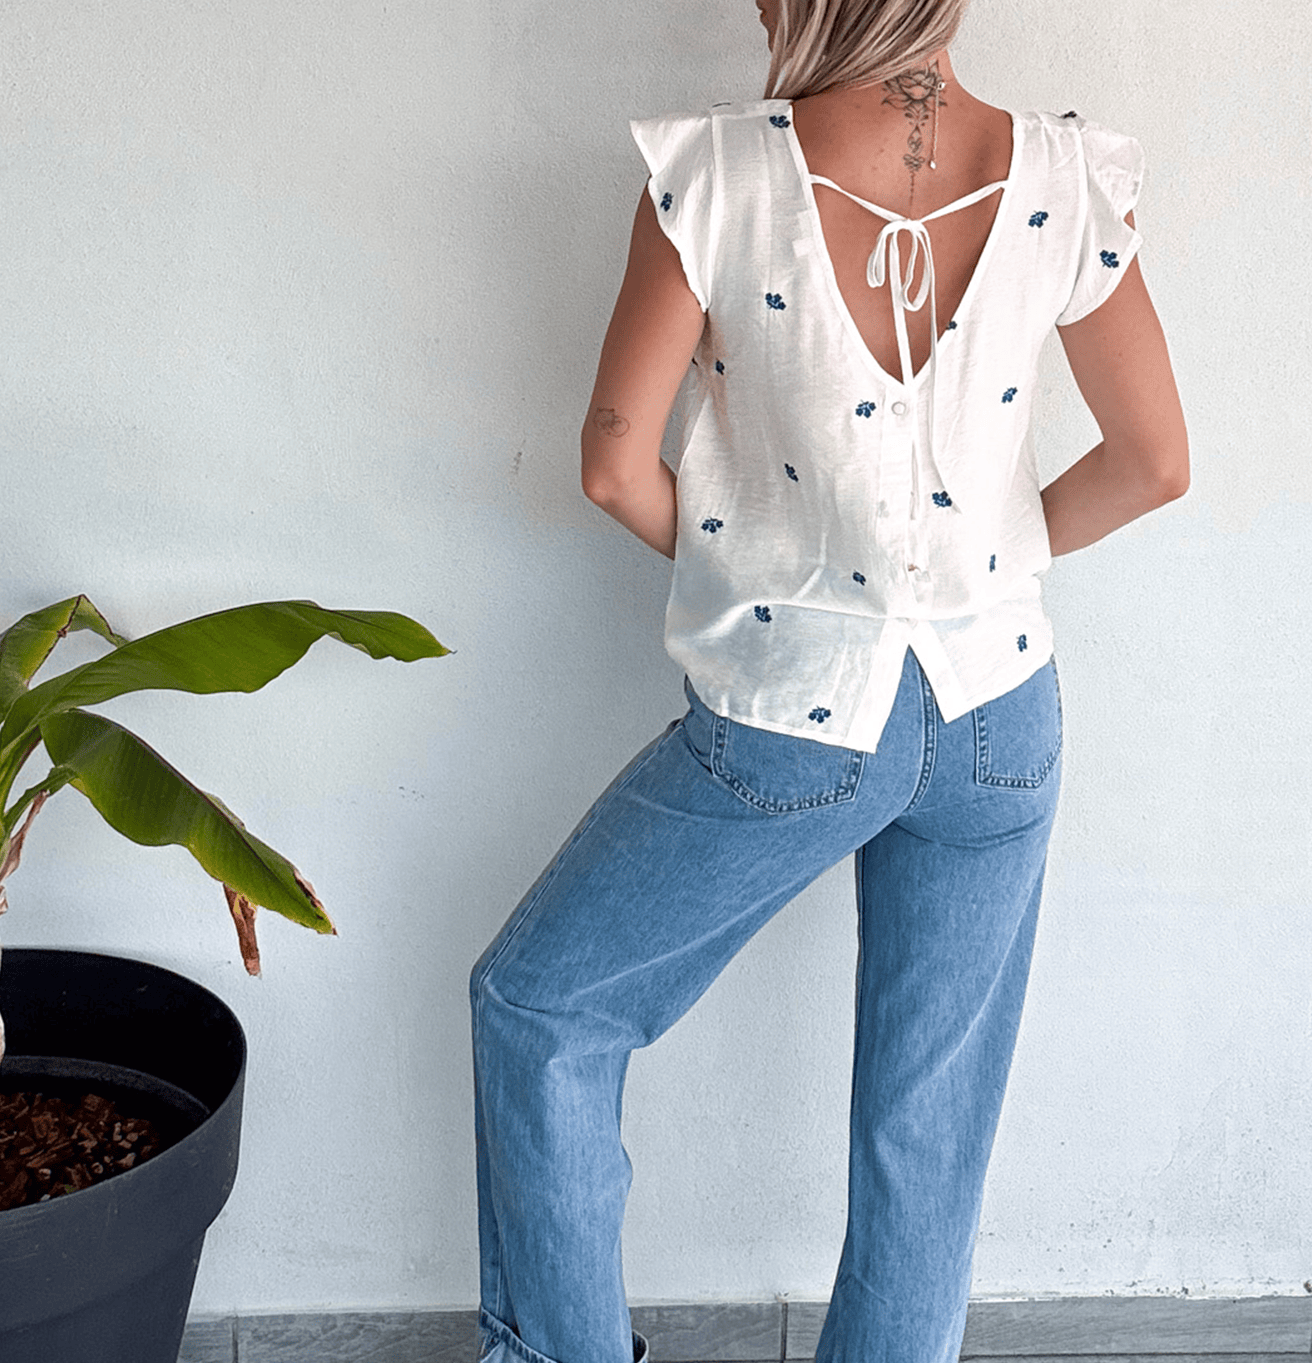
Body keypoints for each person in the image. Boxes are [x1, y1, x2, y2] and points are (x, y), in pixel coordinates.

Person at [470, 0, 1189, 1359]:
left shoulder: (720, 178)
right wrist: (979, 562)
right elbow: (1153, 460)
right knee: (926, 1138)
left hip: (793, 713)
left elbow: (615, 466)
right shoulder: (1062, 178)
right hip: (1000, 716)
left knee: (540, 1005)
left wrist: (773, 566)